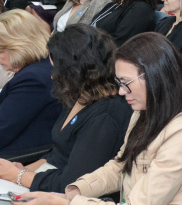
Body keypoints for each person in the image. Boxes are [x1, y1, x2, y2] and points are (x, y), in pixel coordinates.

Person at [21, 32, 182, 205]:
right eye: (119, 82)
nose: (121, 92)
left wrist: (67, 202)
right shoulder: (146, 110)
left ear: (154, 77)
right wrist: (74, 191)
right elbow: (120, 166)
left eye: (126, 82)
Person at [0, 26, 132, 194]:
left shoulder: (105, 116)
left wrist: (18, 176)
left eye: (57, 69)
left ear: (75, 69)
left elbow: (72, 183)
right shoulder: (80, 96)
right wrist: (22, 170)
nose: (53, 76)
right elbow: (57, 154)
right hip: (47, 180)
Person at [0, 10, 61, 154]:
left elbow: (2, 130)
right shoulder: (41, 68)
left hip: (16, 156)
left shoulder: (33, 79)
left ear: (19, 47)